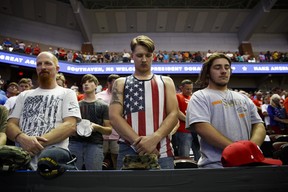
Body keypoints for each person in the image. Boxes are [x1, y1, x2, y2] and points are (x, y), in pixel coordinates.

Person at [109, 35, 178, 170]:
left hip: (162, 150)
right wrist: (142, 145)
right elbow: (114, 117)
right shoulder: (120, 82)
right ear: (132, 56)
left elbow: (173, 114)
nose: (144, 59)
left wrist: (154, 138)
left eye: (148, 55)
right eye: (140, 55)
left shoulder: (166, 81)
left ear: (153, 56)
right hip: (128, 149)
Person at [186, 53, 266, 168]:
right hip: (216, 165)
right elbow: (201, 127)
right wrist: (238, 150)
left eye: (226, 67)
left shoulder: (243, 98)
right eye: (217, 67)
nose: (223, 71)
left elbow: (258, 125)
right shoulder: (200, 96)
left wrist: (251, 148)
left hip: (248, 162)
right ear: (208, 72)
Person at [6, 51, 81, 170]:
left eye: (47, 63)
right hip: (22, 161)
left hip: (54, 161)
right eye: (39, 64)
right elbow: (10, 125)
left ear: (57, 68)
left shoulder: (67, 93)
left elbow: (70, 125)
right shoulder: (23, 95)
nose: (43, 67)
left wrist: (35, 144)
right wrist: (21, 138)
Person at [69, 74, 112, 170]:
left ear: (96, 85)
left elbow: (109, 130)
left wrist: (96, 127)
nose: (86, 84)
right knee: (72, 175)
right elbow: (69, 125)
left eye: (89, 82)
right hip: (75, 143)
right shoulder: (76, 105)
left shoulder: (103, 106)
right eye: (84, 82)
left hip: (95, 143)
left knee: (94, 176)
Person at [96, 74, 120, 169]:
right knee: (101, 157)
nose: (115, 86)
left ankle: (117, 178)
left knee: (116, 157)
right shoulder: (99, 96)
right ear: (108, 83)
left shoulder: (121, 96)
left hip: (117, 133)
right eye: (113, 84)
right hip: (102, 133)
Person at [173, 79, 200, 161]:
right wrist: (188, 121)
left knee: (198, 153)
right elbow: (176, 111)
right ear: (181, 88)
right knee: (184, 155)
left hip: (194, 131)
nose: (189, 91)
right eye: (187, 89)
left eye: (191, 89)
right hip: (183, 131)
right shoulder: (177, 96)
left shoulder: (192, 98)